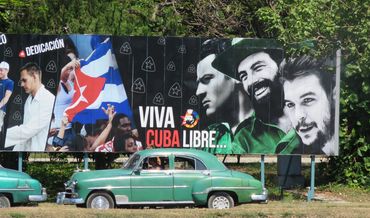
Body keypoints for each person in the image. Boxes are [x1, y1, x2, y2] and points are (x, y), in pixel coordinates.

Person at [211, 39, 297, 154]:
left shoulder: (314, 113)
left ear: (280, 67)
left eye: (258, 68)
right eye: (244, 76)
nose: (251, 81)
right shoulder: (245, 137)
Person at [195, 38, 253, 154]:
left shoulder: (271, 131)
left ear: (233, 75)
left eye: (207, 79)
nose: (198, 92)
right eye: (198, 83)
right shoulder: (210, 136)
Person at [278, 56, 337, 155]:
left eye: (308, 100)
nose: (298, 116)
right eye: (290, 104)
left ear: (332, 97)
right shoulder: (287, 151)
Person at [5, 62, 55, 151]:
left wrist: (3, 135)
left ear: (35, 76)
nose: (22, 84)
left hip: (39, 154)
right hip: (26, 153)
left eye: (24, 80)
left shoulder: (49, 99)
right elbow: (25, 133)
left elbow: (28, 130)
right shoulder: (29, 100)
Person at [0, 61, 14, 131]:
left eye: (1, 70)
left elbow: (6, 97)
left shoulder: (10, 82)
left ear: (7, 70)